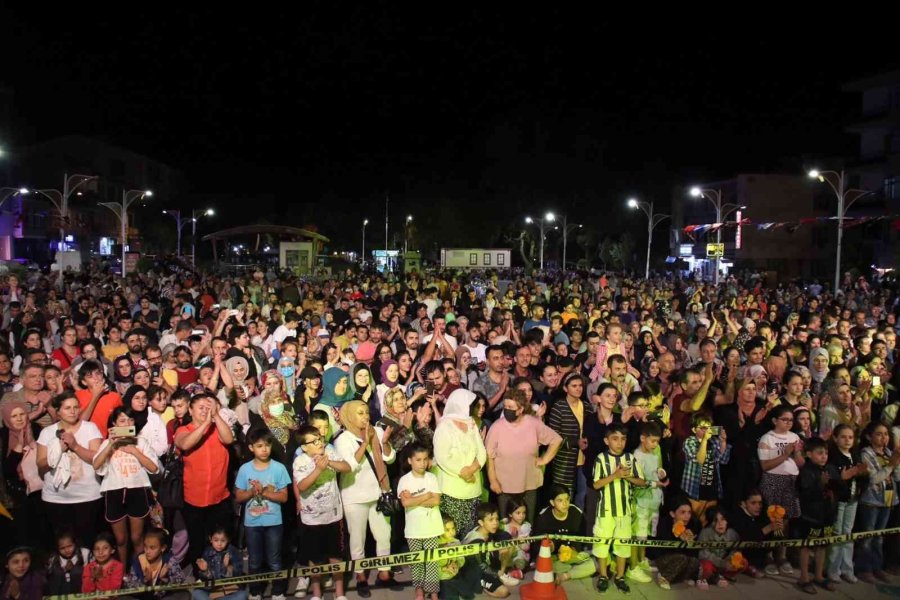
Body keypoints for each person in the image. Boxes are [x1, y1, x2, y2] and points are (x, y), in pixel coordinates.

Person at [334, 399, 399, 597]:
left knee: (383, 534)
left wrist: (384, 442)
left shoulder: (376, 432)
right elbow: (351, 464)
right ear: (350, 416)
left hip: (378, 493)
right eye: (360, 413)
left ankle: (384, 572)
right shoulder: (343, 439)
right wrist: (366, 441)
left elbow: (390, 458)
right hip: (354, 496)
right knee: (357, 539)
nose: (366, 416)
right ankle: (360, 576)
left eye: (366, 412)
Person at [92, 406, 161, 563]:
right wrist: (110, 444)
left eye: (130, 420)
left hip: (137, 491)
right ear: (114, 424)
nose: (127, 423)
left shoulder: (141, 442)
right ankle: (122, 574)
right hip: (114, 492)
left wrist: (135, 452)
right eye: (122, 420)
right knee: (121, 539)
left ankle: (139, 572)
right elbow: (96, 465)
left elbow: (154, 468)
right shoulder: (107, 443)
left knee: (137, 538)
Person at [35, 391, 103, 548]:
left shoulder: (90, 428)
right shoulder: (47, 432)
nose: (73, 411)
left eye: (75, 407)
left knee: (87, 544)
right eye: (67, 408)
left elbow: (97, 459)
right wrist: (58, 450)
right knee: (62, 545)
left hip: (88, 497)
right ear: (58, 411)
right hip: (56, 498)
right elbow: (41, 465)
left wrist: (75, 446)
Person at [174, 393, 235, 564]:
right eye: (200, 407)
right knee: (198, 543)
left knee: (220, 541)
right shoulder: (183, 430)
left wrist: (215, 416)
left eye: (208, 407)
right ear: (190, 411)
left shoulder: (218, 428)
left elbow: (229, 439)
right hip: (194, 500)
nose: (204, 411)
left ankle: (221, 574)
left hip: (219, 497)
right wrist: (206, 424)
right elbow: (185, 444)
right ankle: (201, 577)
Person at [485, 389, 561, 522]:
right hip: (504, 486)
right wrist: (493, 481)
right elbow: (489, 457)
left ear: (520, 409)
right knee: (506, 524)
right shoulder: (497, 427)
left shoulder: (533, 423)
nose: (507, 410)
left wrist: (544, 459)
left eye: (511, 407)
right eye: (505, 406)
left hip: (529, 484)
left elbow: (556, 440)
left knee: (528, 524)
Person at [292, 424, 349, 600]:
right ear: (304, 447)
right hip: (311, 519)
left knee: (336, 557)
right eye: (314, 441)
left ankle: (339, 593)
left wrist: (328, 462)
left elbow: (346, 467)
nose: (319, 443)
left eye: (320, 439)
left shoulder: (329, 452)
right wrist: (318, 469)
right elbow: (301, 486)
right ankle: (317, 594)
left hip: (333, 516)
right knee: (314, 560)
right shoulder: (300, 461)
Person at [234, 429, 292, 600]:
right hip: (252, 523)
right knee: (254, 561)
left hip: (274, 522)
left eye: (267, 445)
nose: (264, 449)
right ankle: (255, 591)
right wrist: (252, 491)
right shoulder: (245, 469)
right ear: (251, 448)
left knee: (274, 560)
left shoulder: (279, 468)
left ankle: (278, 591)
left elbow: (284, 497)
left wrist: (265, 492)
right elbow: (238, 497)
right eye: (259, 446)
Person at [592, 422, 648, 591]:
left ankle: (620, 577)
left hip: (625, 511)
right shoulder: (601, 459)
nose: (619, 443)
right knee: (602, 544)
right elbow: (596, 484)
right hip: (605, 511)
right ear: (606, 440)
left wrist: (628, 477)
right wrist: (615, 475)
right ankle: (603, 576)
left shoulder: (630, 458)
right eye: (615, 439)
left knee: (623, 546)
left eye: (623, 439)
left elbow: (643, 482)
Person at [433, 389, 486, 538]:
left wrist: (472, 469)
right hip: (452, 493)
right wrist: (464, 473)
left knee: (471, 534)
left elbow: (481, 452)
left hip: (473, 490)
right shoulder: (444, 426)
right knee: (451, 535)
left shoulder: (472, 424)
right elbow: (443, 458)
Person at [757, 403, 803, 574]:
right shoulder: (766, 439)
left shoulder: (795, 437)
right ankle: (768, 555)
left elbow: (800, 464)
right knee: (772, 519)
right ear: (775, 420)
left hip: (791, 482)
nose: (789, 423)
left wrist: (797, 453)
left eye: (791, 420)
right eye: (785, 419)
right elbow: (765, 465)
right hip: (772, 481)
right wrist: (785, 454)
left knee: (786, 521)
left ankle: (781, 555)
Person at [398, 443, 443, 600]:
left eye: (425, 459)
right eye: (418, 460)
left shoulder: (432, 478)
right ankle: (419, 590)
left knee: (432, 561)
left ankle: (434, 592)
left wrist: (414, 499)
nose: (422, 463)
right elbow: (405, 503)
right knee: (417, 562)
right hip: (413, 530)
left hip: (432, 527)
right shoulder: (404, 480)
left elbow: (436, 500)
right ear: (410, 461)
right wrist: (425, 496)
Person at [856, 421, 900, 583]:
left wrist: (896, 463)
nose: (884, 438)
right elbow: (874, 478)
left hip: (888, 500)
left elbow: (895, 477)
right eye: (879, 434)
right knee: (867, 536)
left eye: (886, 434)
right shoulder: (866, 453)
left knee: (880, 537)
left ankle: (877, 567)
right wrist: (891, 466)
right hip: (872, 501)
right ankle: (864, 569)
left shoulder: (889, 452)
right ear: (869, 437)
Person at [794, 437, 840, 594]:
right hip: (810, 516)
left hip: (827, 515)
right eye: (819, 453)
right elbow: (805, 495)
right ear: (808, 454)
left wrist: (844, 479)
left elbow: (840, 490)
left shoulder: (831, 469)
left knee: (822, 545)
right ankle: (804, 578)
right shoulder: (806, 471)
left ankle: (819, 576)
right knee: (807, 546)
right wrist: (820, 484)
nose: (824, 456)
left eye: (826, 453)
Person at [827, 424, 866, 584]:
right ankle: (832, 569)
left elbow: (862, 478)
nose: (847, 440)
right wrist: (843, 478)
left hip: (853, 499)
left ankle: (847, 569)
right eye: (843, 437)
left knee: (848, 534)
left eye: (850, 437)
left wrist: (863, 474)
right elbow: (831, 481)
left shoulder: (855, 456)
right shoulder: (833, 458)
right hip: (839, 500)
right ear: (835, 438)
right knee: (837, 533)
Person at [681, 412, 730, 525]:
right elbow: (700, 460)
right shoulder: (690, 442)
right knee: (692, 521)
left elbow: (723, 460)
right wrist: (704, 440)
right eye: (703, 428)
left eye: (709, 428)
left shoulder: (714, 441)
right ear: (694, 430)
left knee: (708, 521)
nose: (707, 431)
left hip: (712, 488)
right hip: (694, 489)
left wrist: (723, 442)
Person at [631, 421, 667, 575]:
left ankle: (642, 559)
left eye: (657, 441)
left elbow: (657, 467)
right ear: (642, 438)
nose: (655, 445)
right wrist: (655, 483)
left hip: (654, 500)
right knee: (638, 532)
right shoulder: (637, 456)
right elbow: (637, 481)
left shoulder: (655, 451)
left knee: (645, 533)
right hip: (641, 502)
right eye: (652, 441)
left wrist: (661, 472)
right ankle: (634, 565)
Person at [461, 502, 515, 598]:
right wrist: (495, 573)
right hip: (474, 571)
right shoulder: (476, 541)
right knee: (504, 592)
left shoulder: (487, 529)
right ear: (481, 522)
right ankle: (486, 584)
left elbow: (505, 535)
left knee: (508, 544)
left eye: (496, 519)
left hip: (486, 562)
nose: (495, 523)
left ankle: (501, 574)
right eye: (491, 520)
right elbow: (481, 566)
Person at [122, 528, 186, 598]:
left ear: (163, 548)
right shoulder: (139, 561)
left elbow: (180, 579)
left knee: (184, 594)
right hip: (143, 597)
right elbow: (129, 585)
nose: (147, 551)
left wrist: (165, 579)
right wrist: (146, 581)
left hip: (163, 597)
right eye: (145, 546)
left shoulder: (169, 561)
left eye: (152, 548)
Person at [192, 527, 247, 600]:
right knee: (196, 593)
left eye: (223, 540)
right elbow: (205, 580)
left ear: (228, 540)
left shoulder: (233, 552)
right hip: (212, 590)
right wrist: (205, 570)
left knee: (242, 595)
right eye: (216, 540)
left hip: (228, 590)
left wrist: (227, 567)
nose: (219, 544)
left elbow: (238, 574)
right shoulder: (207, 552)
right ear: (210, 539)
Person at [697, 507, 742, 587]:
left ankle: (726, 575)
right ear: (711, 522)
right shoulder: (705, 532)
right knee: (706, 567)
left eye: (723, 519)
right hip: (711, 562)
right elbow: (703, 554)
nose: (720, 523)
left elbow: (735, 550)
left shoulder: (732, 533)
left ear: (727, 521)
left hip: (724, 563)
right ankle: (711, 578)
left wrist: (730, 559)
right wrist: (722, 563)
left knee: (742, 562)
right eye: (715, 520)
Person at [45, 531, 91, 597]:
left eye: (70, 546)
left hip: (81, 590)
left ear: (75, 543)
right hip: (61, 592)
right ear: (57, 548)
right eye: (62, 548)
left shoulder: (85, 553)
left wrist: (76, 569)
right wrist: (64, 571)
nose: (67, 550)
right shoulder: (54, 559)